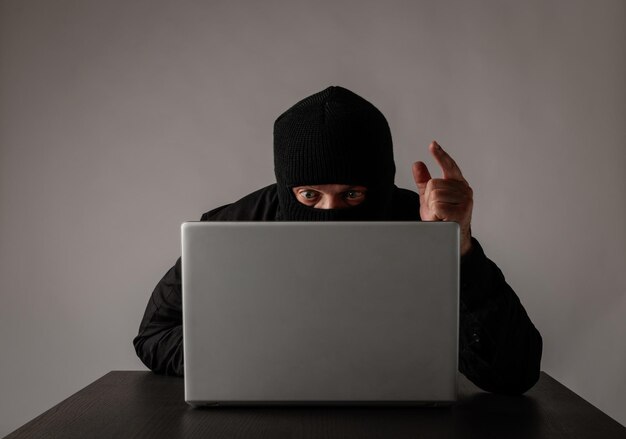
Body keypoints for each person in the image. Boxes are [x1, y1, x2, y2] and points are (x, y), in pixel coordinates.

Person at [133, 86, 542, 394]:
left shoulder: (425, 224)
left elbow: (515, 373)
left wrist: (459, 245)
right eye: (309, 195)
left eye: (352, 195)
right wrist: (252, 355)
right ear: (287, 188)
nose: (329, 213)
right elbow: (153, 335)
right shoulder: (227, 227)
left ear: (378, 187)